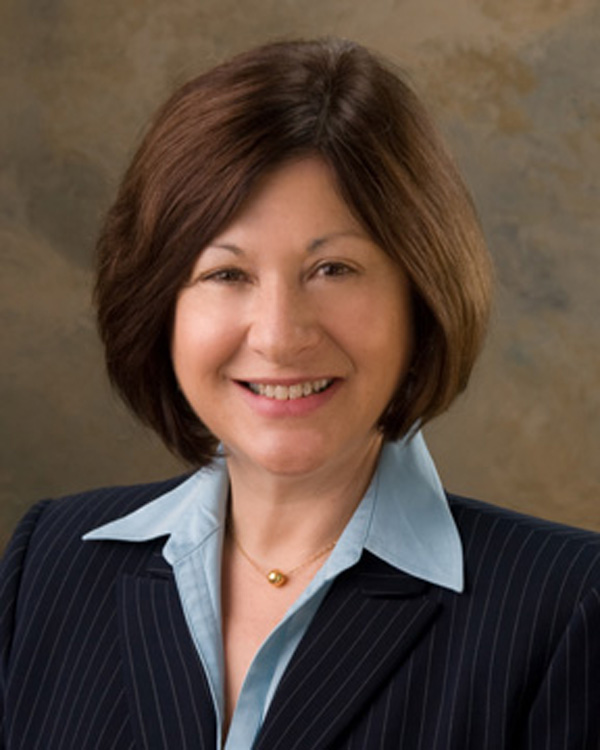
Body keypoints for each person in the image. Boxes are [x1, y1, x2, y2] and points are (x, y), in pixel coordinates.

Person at [1, 37, 598, 750]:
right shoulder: (51, 563)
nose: (280, 338)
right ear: (161, 307)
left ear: (420, 295)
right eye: (227, 274)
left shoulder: (567, 607)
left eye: (333, 269)